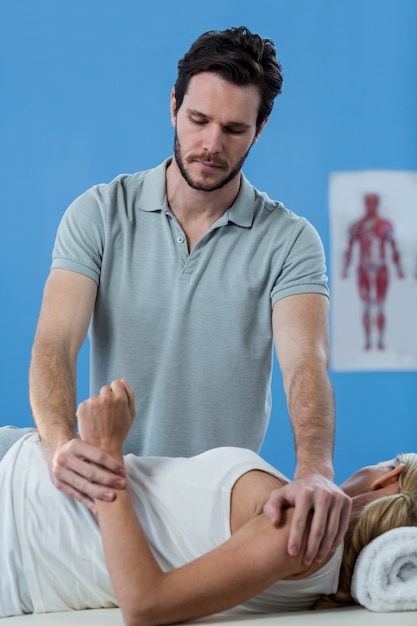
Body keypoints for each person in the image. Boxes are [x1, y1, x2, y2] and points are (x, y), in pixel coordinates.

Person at [27, 25, 351, 565]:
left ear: (260, 129)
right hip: (107, 502)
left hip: (214, 514)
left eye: (233, 128)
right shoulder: (100, 213)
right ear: (174, 106)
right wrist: (59, 443)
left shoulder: (291, 240)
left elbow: (305, 366)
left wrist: (315, 469)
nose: (211, 145)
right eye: (198, 120)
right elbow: (54, 344)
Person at [1, 380, 416, 622]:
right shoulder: (318, 574)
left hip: (18, 507)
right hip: (24, 512)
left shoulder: (301, 533)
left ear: (387, 479)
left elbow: (146, 603)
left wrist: (108, 449)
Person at [341, 192, 404, 350]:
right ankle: (368, 341)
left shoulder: (384, 225)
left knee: (381, 305)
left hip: (381, 269)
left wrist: (399, 270)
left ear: (377, 203)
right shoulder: (358, 226)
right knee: (366, 306)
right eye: (368, 202)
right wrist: (345, 269)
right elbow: (349, 249)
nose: (370, 206)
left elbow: (394, 248)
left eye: (373, 202)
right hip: (364, 269)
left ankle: (381, 341)